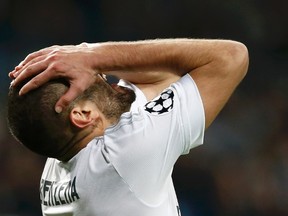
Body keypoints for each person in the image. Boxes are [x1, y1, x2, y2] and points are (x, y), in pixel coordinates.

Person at [7, 38, 249, 216]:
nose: (113, 80)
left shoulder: (57, 164)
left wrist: (90, 63)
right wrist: (91, 55)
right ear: (83, 115)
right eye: (101, 80)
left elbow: (165, 77)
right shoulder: (124, 154)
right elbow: (231, 56)